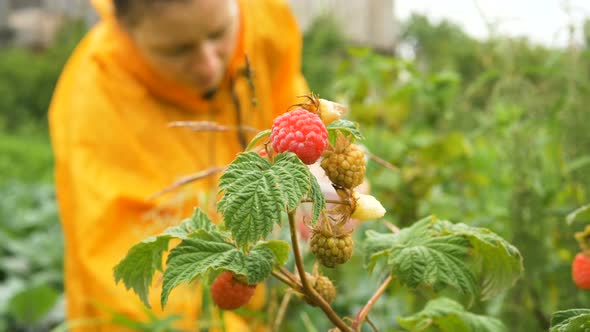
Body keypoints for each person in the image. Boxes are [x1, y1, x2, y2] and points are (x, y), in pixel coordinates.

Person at [48, 0, 308, 330]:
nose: (209, 65)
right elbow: (141, 291)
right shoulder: (97, 98)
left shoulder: (264, 18)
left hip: (254, 300)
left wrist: (318, 174)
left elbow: (291, 105)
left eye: (219, 33)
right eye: (177, 50)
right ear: (124, 29)